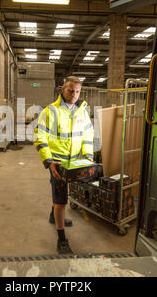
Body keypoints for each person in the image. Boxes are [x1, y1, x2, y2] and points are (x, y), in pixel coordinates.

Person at [34, 76, 94, 254]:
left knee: (62, 193)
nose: (74, 94)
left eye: (77, 91)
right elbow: (40, 137)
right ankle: (61, 239)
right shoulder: (50, 111)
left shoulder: (82, 110)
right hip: (57, 162)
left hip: (75, 161)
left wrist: (89, 155)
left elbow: (88, 134)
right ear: (62, 89)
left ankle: (54, 216)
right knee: (61, 200)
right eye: (70, 90)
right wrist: (49, 161)